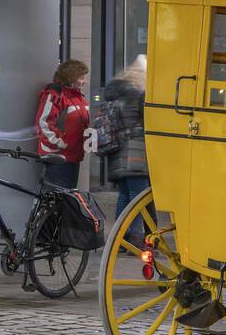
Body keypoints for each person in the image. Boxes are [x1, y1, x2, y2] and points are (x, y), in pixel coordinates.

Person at [102, 56, 150, 241]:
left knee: (124, 196)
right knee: (137, 198)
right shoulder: (137, 95)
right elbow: (147, 121)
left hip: (117, 151)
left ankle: (118, 238)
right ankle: (135, 237)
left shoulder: (115, 92)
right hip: (136, 152)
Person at [35, 59, 90, 189]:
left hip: (73, 156)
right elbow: (43, 123)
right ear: (71, 77)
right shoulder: (55, 95)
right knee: (58, 200)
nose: (85, 81)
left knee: (67, 199)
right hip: (57, 157)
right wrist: (61, 142)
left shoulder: (78, 97)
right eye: (82, 77)